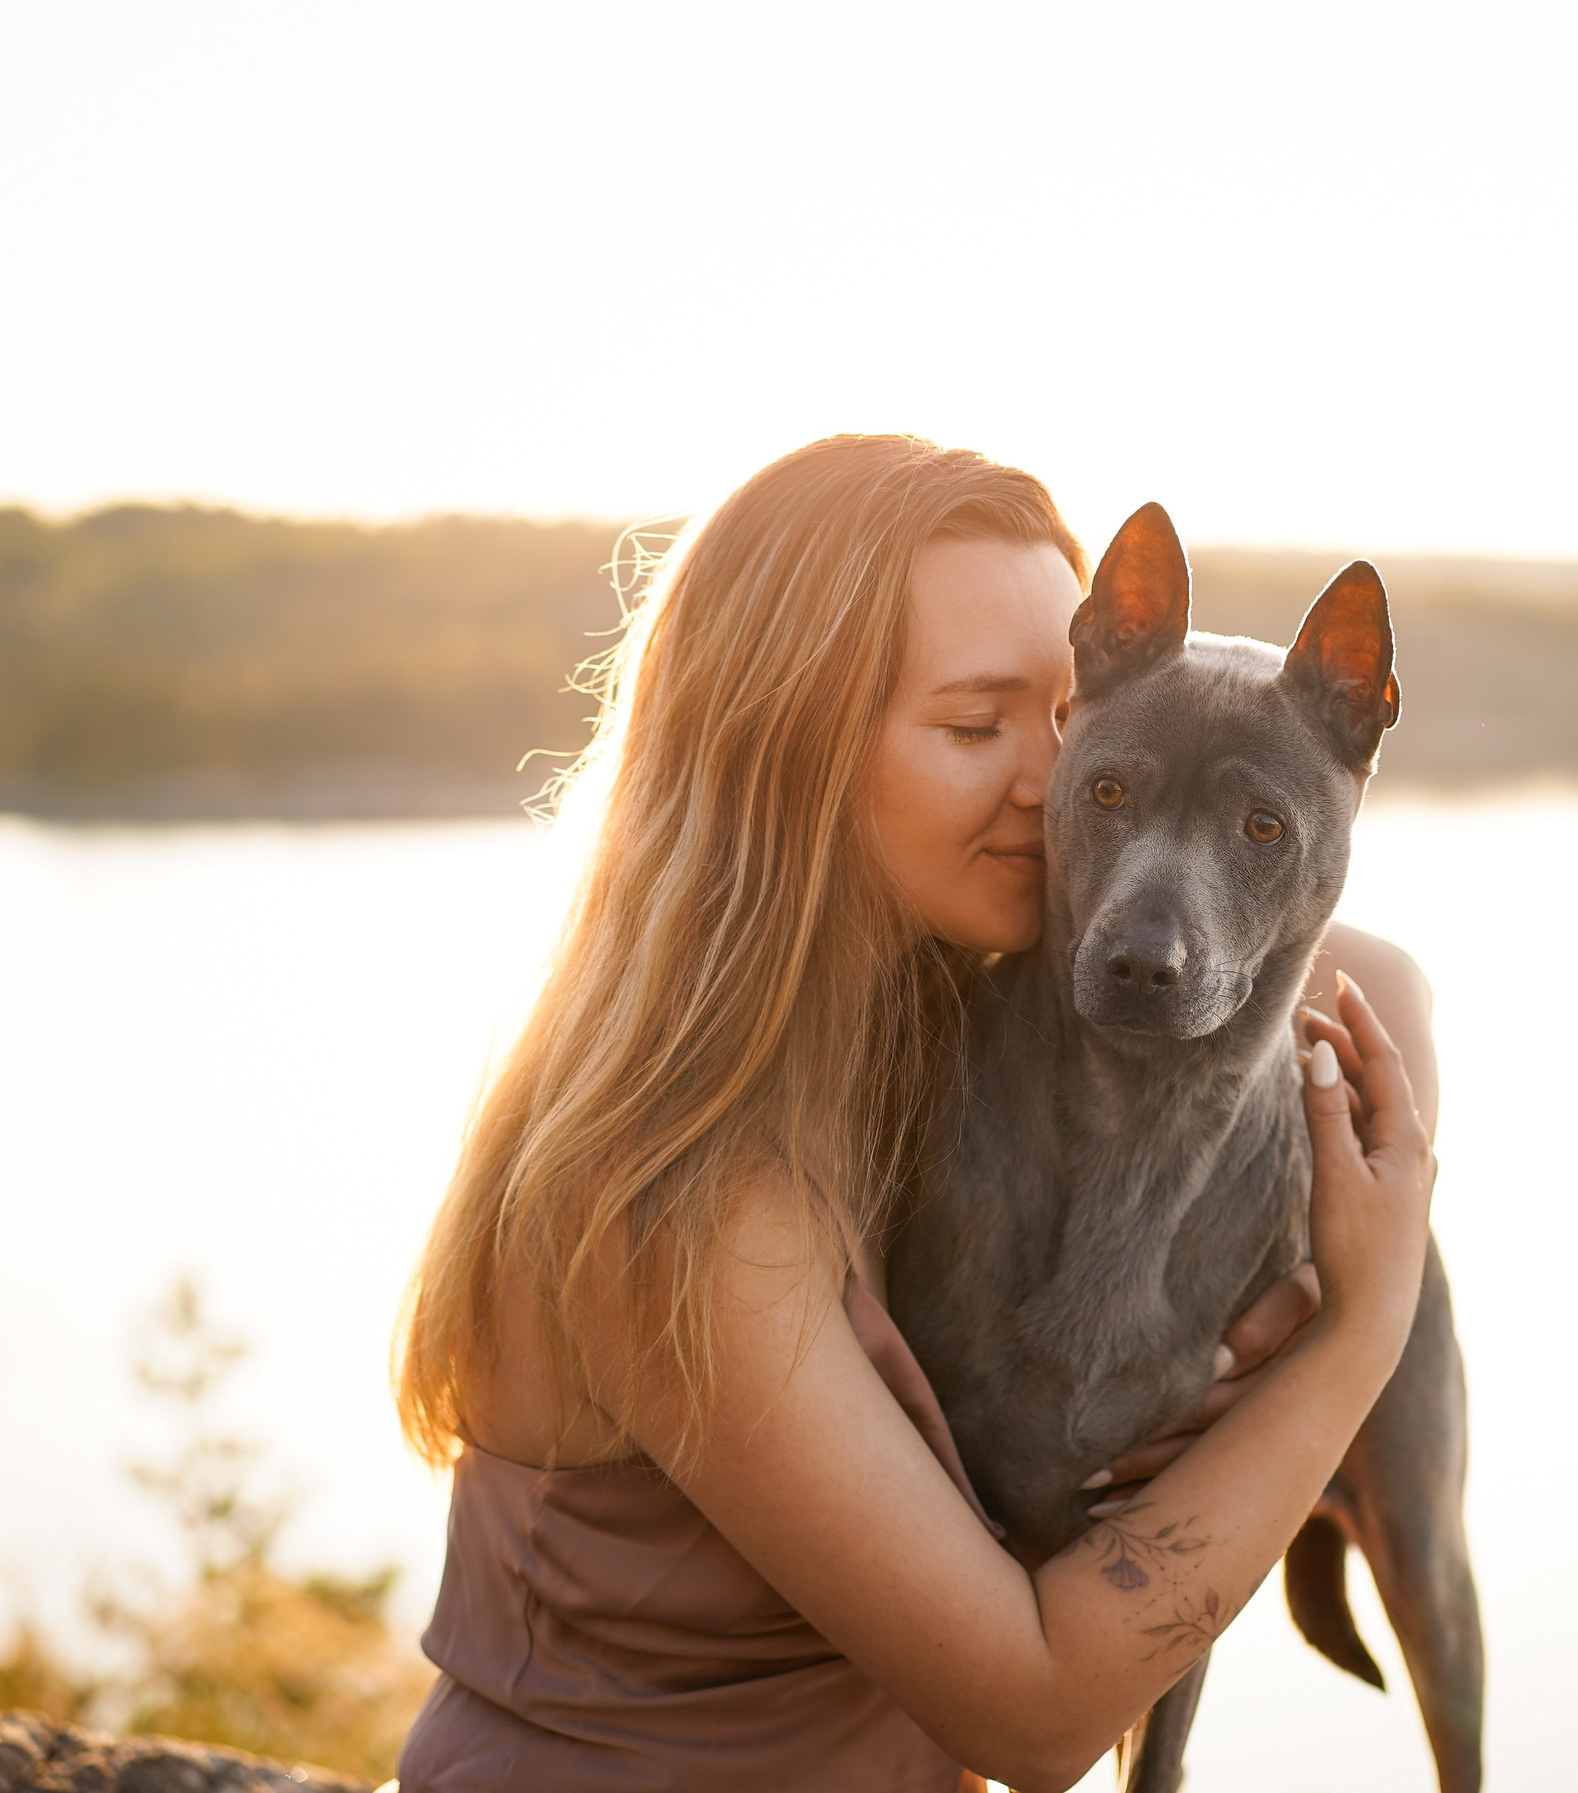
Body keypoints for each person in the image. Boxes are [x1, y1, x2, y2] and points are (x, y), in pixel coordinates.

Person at [390, 435, 1440, 1792]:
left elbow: (1380, 969)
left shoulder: (910, 1030)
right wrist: (1365, 1319)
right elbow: (1039, 1719)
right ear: (787, 749)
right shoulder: (685, 1193)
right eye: (972, 723)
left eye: (1072, 722)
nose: (1052, 784)